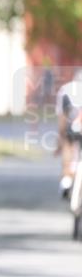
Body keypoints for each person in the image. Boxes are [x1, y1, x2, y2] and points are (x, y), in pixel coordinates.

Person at [55, 69, 82, 198]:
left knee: (67, 143)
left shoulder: (65, 90)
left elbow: (62, 118)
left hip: (72, 127)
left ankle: (66, 180)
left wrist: (59, 141)